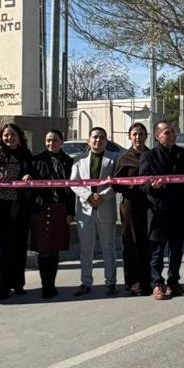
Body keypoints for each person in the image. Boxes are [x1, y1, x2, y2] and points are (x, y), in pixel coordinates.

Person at [142, 120, 184, 299]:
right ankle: (157, 284)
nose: (171, 135)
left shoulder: (183, 154)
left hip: (179, 209)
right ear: (157, 136)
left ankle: (174, 281)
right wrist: (152, 186)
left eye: (173, 131)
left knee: (177, 249)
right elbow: (142, 181)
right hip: (158, 210)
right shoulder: (149, 156)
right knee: (157, 251)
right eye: (167, 132)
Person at [0, 122, 34, 299]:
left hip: (22, 206)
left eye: (13, 134)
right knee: (4, 248)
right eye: (6, 135)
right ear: (1, 137)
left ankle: (18, 284)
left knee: (20, 247)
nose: (10, 138)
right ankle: (3, 287)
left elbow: (32, 173)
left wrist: (28, 175)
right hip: (2, 206)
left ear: (19, 137)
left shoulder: (26, 155)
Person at [71, 127, 119, 296]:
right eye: (95, 137)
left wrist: (103, 196)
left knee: (108, 248)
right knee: (86, 249)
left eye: (102, 138)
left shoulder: (114, 159)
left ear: (106, 141)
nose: (98, 140)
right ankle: (86, 282)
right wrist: (89, 196)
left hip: (106, 208)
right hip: (85, 210)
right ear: (88, 140)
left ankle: (111, 282)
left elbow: (117, 182)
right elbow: (74, 182)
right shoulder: (79, 159)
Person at [31, 129, 73, 299]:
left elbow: (72, 190)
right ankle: (45, 285)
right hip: (41, 209)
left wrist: (70, 212)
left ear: (61, 142)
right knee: (43, 249)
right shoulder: (36, 160)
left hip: (60, 208)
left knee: (54, 249)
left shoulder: (69, 161)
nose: (51, 143)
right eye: (48, 140)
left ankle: (52, 284)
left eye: (55, 140)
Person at [115, 122, 152, 296]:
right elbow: (116, 184)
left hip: (150, 205)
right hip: (131, 206)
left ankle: (149, 281)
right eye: (135, 134)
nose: (138, 137)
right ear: (130, 137)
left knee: (148, 243)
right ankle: (133, 283)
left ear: (146, 136)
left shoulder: (152, 155)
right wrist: (133, 185)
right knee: (132, 244)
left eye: (141, 134)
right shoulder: (124, 158)